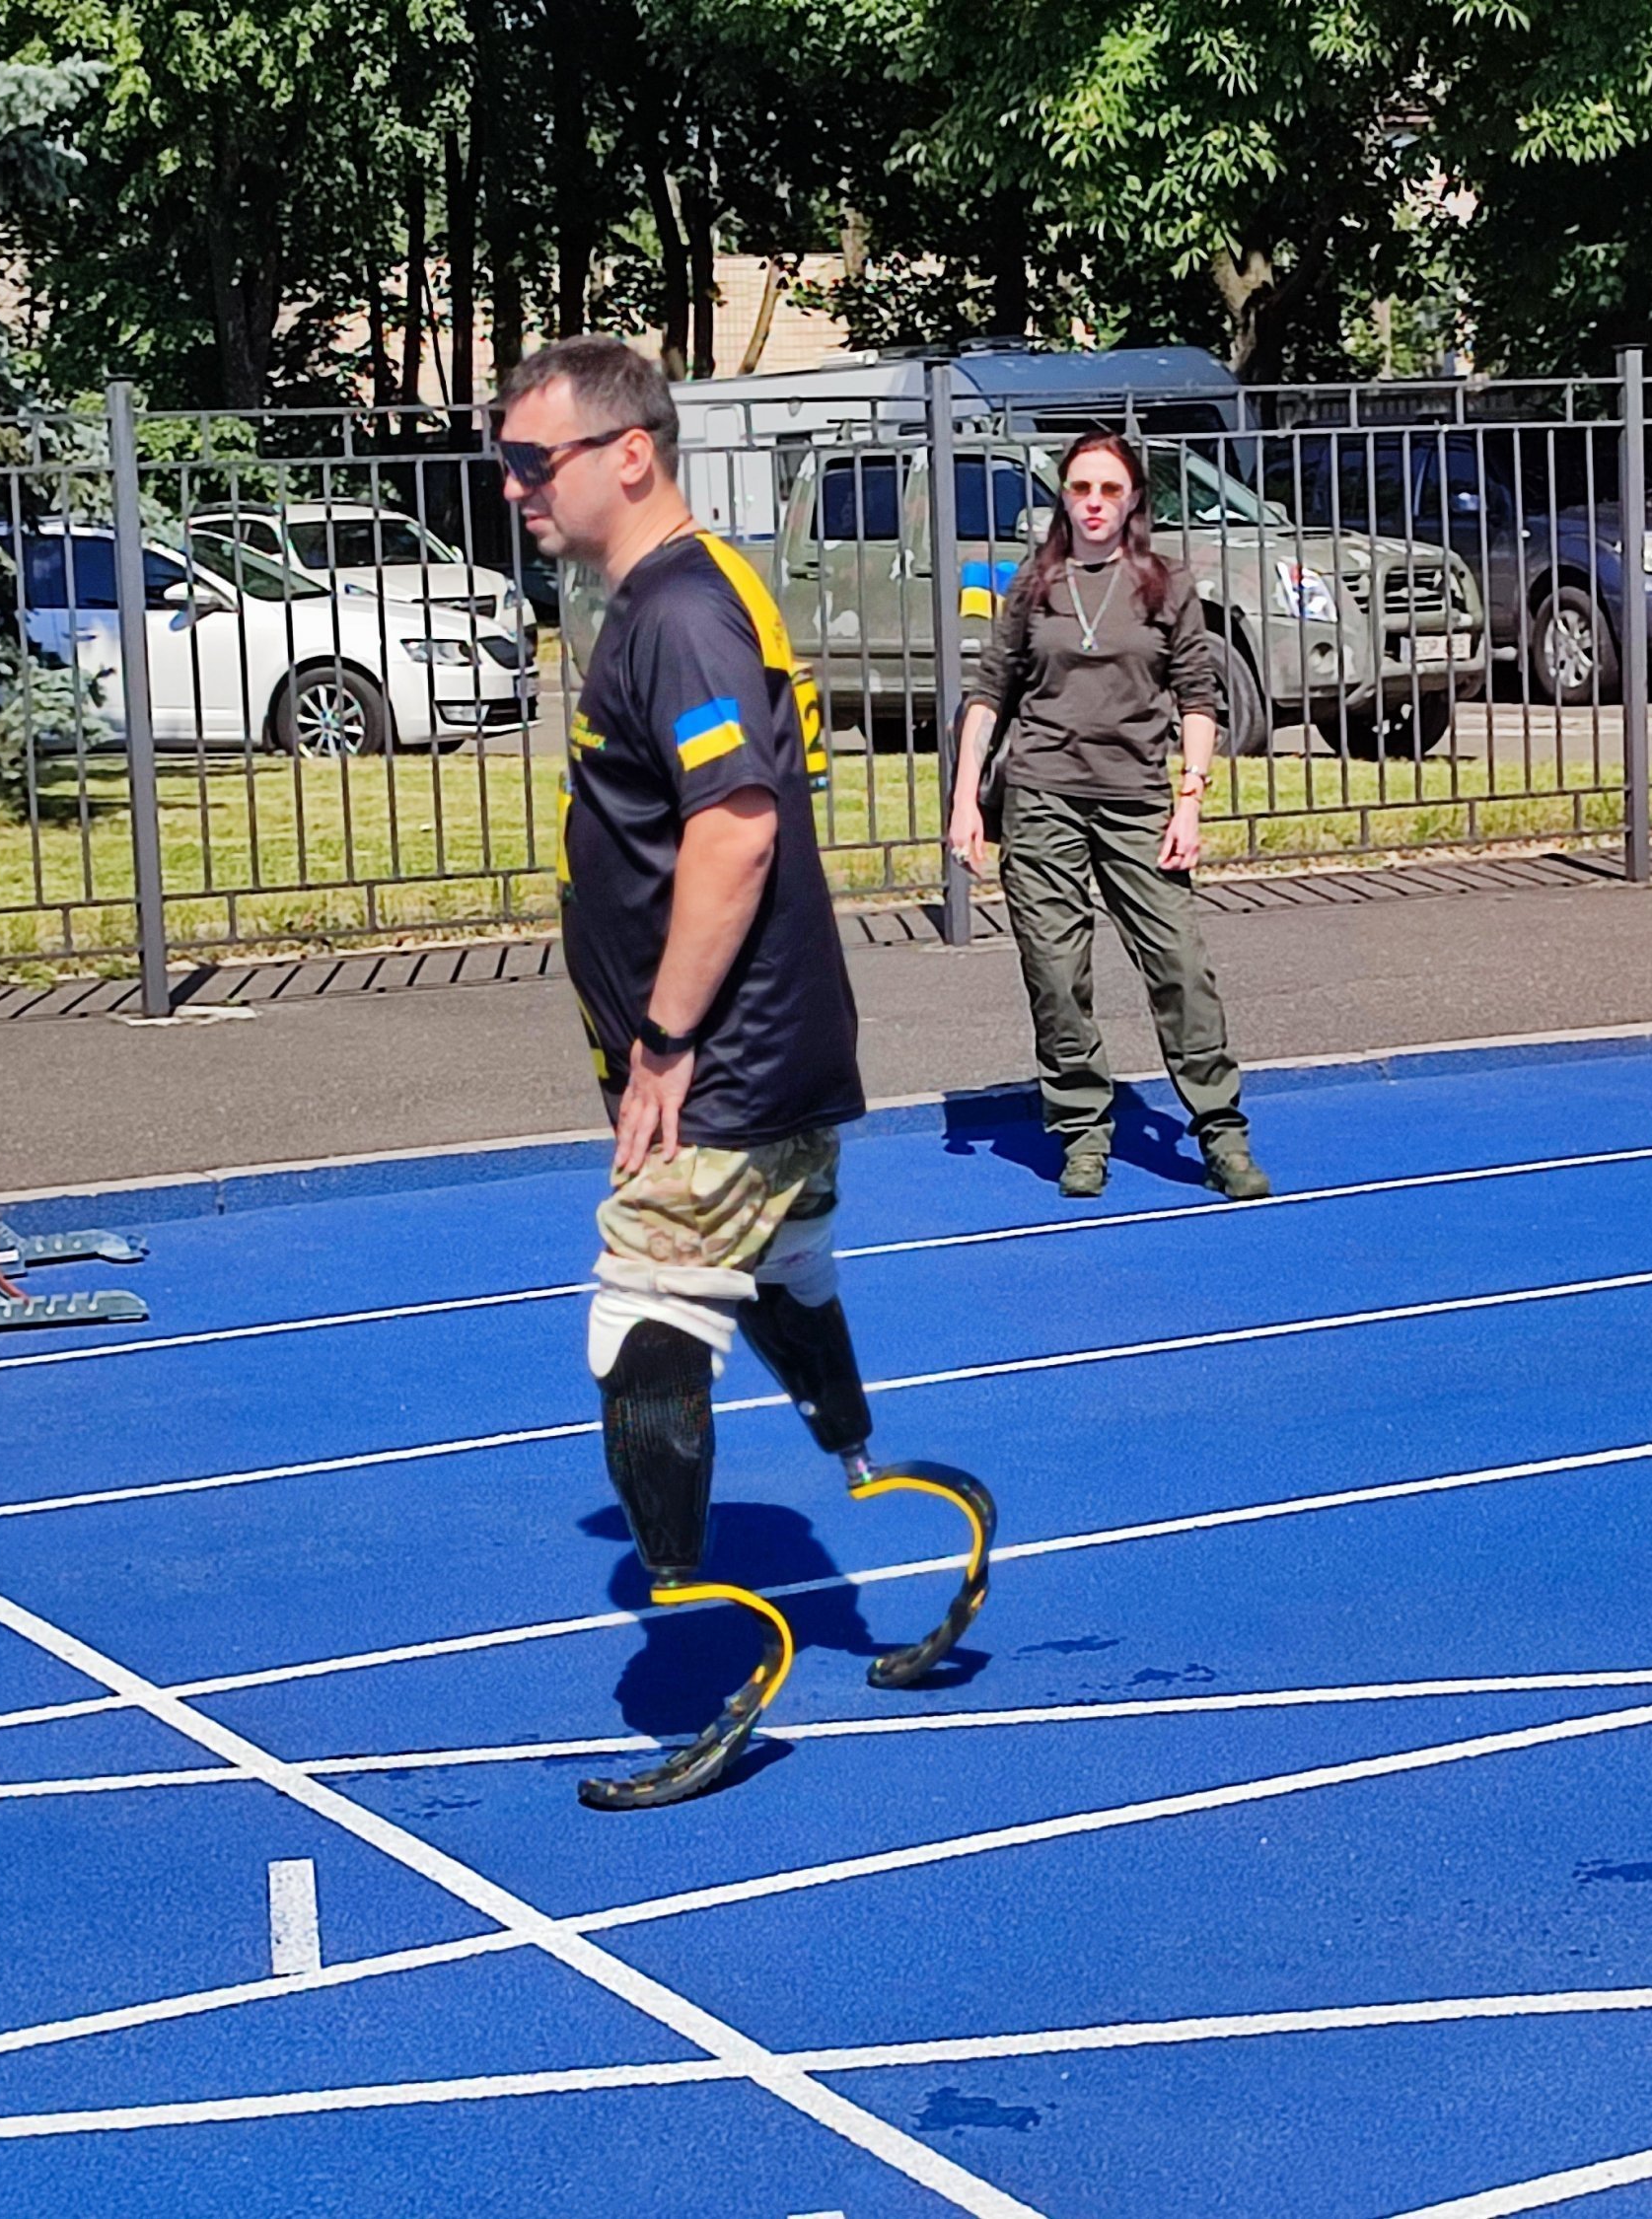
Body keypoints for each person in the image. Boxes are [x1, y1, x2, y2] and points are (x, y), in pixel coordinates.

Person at [495, 334, 993, 1813]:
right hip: (768, 1048)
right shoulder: (678, 595)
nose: (513, 486)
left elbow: (735, 827)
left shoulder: (681, 613)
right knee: (780, 1255)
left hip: (725, 1060)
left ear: (628, 454)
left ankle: (710, 1631)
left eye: (532, 461)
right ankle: (870, 1469)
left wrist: (663, 1039)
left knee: (644, 1312)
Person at [944, 432, 1270, 1203]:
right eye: (1081, 488)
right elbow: (990, 693)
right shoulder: (1034, 582)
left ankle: (1221, 1133)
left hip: (1137, 803)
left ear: (1133, 501)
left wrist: (1189, 800)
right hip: (1042, 799)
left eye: (1110, 489)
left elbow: (1197, 697)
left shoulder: (1166, 584)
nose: (1094, 503)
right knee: (1056, 976)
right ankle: (1083, 1133)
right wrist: (964, 801)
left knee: (1180, 967)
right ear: (1064, 497)